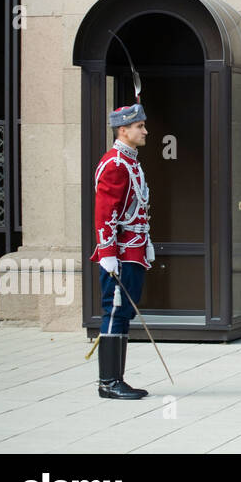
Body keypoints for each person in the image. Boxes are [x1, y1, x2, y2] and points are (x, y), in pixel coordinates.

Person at [91, 103, 154, 400]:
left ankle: (117, 379)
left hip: (134, 251)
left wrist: (147, 245)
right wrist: (108, 253)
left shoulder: (131, 162)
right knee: (115, 311)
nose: (145, 130)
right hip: (120, 253)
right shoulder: (115, 164)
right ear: (123, 130)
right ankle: (108, 382)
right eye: (139, 126)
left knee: (123, 312)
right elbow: (105, 213)